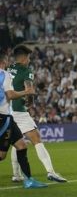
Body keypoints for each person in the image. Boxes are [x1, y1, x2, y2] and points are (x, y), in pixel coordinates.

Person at [7, 45, 67, 183]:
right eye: (28, 57)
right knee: (37, 139)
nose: (29, 60)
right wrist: (30, 102)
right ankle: (51, 172)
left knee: (17, 142)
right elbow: (30, 89)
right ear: (23, 58)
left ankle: (16, 175)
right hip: (19, 111)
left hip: (6, 111)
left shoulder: (6, 69)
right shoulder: (25, 71)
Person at [0, 52, 47, 189]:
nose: (9, 63)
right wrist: (26, 92)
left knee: (21, 145)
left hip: (7, 117)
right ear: (4, 61)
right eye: (7, 60)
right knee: (2, 155)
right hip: (2, 117)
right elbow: (10, 95)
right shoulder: (5, 74)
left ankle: (29, 180)